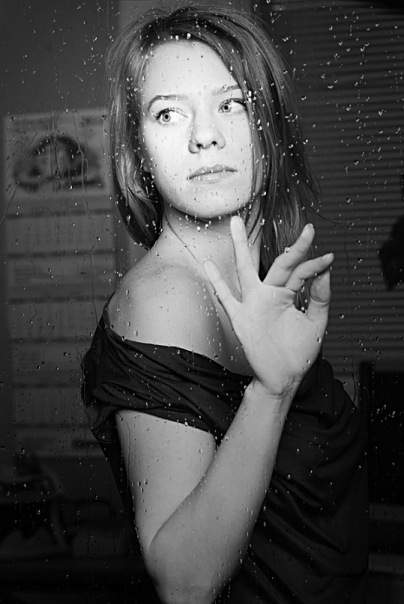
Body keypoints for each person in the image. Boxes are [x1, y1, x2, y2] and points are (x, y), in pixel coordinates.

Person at [81, 5, 368, 603]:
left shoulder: (258, 281)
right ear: (138, 150)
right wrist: (271, 392)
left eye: (232, 104)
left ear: (269, 126)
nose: (204, 135)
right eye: (168, 113)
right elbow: (184, 582)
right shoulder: (165, 298)